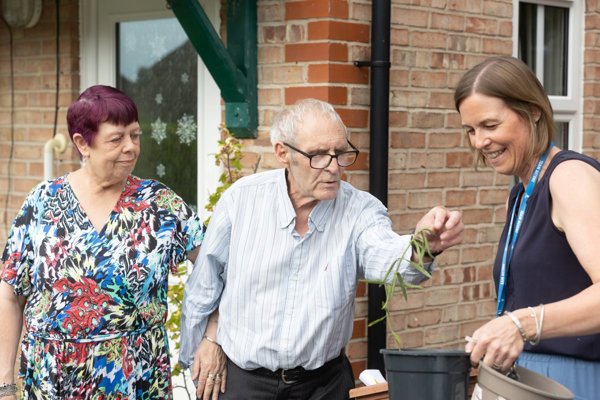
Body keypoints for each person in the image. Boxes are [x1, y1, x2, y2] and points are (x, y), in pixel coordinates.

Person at [180, 98, 464, 399]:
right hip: (243, 382)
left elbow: (383, 253)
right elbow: (205, 283)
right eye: (317, 155)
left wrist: (421, 248)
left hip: (322, 386)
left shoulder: (361, 210)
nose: (332, 168)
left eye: (340, 153)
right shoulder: (241, 200)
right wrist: (202, 349)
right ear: (283, 153)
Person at [0, 85, 222, 400]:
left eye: (136, 135)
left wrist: (213, 337)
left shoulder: (159, 204)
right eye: (117, 139)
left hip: (136, 381)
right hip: (53, 382)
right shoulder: (42, 202)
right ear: (82, 143)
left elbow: (221, 270)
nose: (131, 147)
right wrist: (5, 384)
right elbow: (10, 295)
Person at [455, 56, 600, 399]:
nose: (479, 142)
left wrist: (521, 325)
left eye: (490, 125)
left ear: (534, 111)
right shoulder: (520, 193)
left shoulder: (569, 178)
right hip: (527, 381)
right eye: (471, 130)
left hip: (574, 385)